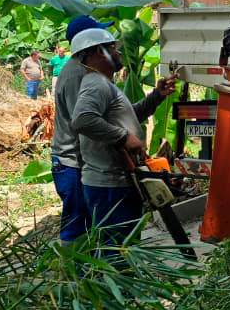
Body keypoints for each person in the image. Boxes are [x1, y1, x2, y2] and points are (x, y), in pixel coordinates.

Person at [70, 27, 178, 256]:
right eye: (113, 48)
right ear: (97, 52)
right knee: (117, 254)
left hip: (117, 183)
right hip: (109, 186)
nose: (118, 52)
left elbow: (127, 117)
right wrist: (124, 137)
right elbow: (82, 119)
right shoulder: (96, 84)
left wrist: (156, 96)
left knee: (124, 250)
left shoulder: (104, 84)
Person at [50, 17, 109, 243]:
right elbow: (85, 121)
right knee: (76, 226)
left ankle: (80, 262)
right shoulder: (76, 75)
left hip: (77, 161)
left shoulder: (85, 71)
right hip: (72, 162)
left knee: (86, 224)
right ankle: (71, 265)